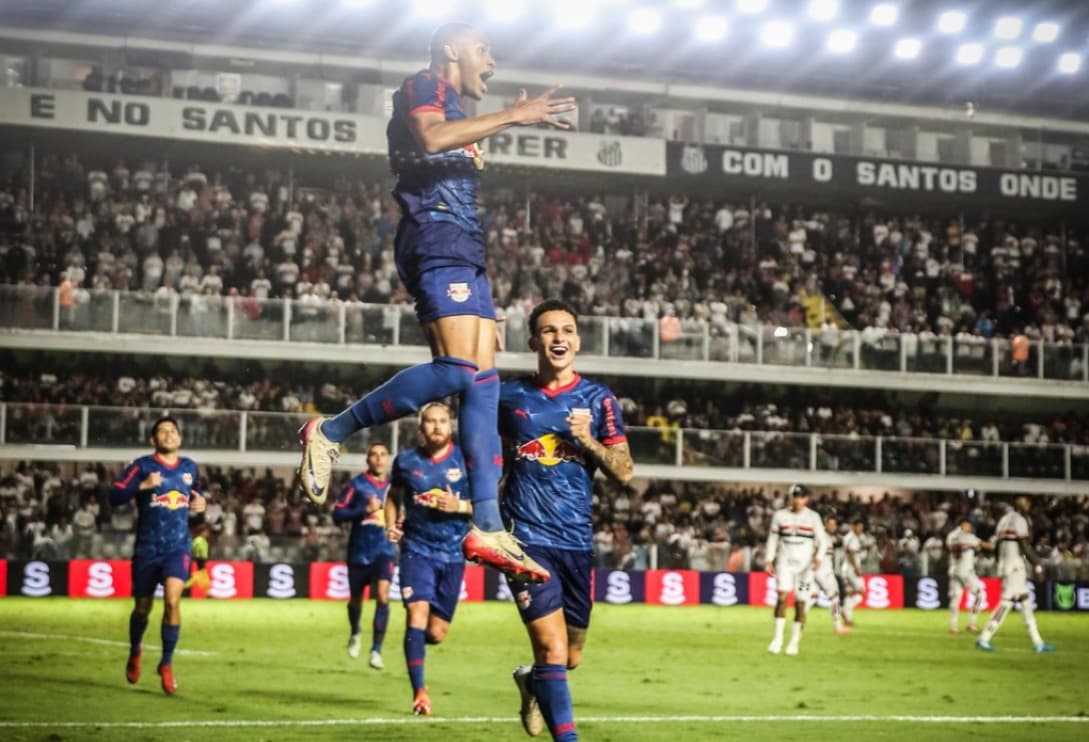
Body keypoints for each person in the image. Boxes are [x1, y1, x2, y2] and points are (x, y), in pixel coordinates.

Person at [297, 22, 575, 584]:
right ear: (452, 50)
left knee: (483, 382)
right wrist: (511, 116)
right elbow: (428, 138)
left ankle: (488, 526)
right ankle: (330, 430)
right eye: (483, 49)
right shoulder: (424, 85)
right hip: (435, 234)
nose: (491, 61)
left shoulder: (457, 109)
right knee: (458, 370)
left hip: (463, 245)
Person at [499, 299, 633, 741]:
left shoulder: (599, 399)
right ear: (533, 342)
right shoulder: (507, 396)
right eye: (549, 330)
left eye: (567, 330)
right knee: (552, 648)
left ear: (577, 340)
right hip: (524, 538)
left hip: (575, 540)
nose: (560, 337)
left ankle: (532, 682)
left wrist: (587, 440)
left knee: (570, 656)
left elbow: (624, 472)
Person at [384, 402, 474, 716]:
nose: (437, 426)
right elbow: (393, 496)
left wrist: (459, 506)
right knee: (417, 615)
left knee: (434, 633)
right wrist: (390, 524)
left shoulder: (467, 460)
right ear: (420, 427)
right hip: (416, 549)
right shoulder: (406, 461)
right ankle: (419, 692)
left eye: (442, 421)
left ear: (451, 425)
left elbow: (490, 504)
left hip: (453, 554)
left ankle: (415, 646)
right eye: (431, 421)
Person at [110, 416, 206, 695]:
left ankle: (166, 663)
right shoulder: (142, 466)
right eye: (162, 431)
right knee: (142, 608)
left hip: (178, 548)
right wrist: (141, 486)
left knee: (173, 601)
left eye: (173, 431)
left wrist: (201, 501)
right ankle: (135, 649)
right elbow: (114, 496)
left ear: (180, 438)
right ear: (153, 439)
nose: (168, 435)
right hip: (147, 549)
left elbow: (195, 493)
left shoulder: (189, 467)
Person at [332, 442, 394, 669]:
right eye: (374, 455)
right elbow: (337, 514)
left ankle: (376, 650)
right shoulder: (356, 485)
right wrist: (364, 510)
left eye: (383, 454)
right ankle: (355, 631)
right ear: (368, 459)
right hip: (359, 551)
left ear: (387, 458)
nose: (378, 458)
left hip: (385, 551)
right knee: (356, 599)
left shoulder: (395, 486)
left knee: (383, 597)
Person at [976, 498, 1055, 653]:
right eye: (1026, 503)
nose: (1028, 506)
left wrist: (1000, 564)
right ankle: (984, 637)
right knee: (1006, 602)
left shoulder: (1003, 520)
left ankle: (1038, 642)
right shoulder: (1020, 520)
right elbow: (1024, 545)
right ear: (1022, 505)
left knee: (1025, 602)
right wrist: (1037, 564)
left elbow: (997, 546)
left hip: (1006, 565)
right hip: (1015, 566)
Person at [766, 484, 824, 655]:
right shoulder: (780, 516)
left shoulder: (813, 517)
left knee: (801, 602)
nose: (798, 500)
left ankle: (794, 642)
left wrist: (819, 557)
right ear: (790, 498)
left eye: (801, 497)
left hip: (805, 570)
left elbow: (822, 541)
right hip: (784, 564)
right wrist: (769, 559)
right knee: (782, 597)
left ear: (806, 499)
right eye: (795, 497)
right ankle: (777, 639)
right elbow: (772, 539)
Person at [946, 517, 994, 634]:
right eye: (968, 525)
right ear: (963, 525)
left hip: (954, 571)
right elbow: (987, 546)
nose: (970, 528)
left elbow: (958, 547)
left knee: (955, 599)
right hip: (966, 572)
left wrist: (973, 548)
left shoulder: (951, 536)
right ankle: (971, 624)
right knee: (979, 595)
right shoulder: (968, 537)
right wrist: (995, 543)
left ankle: (953, 626)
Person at [807, 515, 849, 634]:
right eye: (830, 524)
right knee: (835, 597)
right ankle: (838, 626)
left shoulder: (829, 538)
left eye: (834, 524)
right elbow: (813, 552)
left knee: (811, 597)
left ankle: (799, 623)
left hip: (814, 573)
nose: (833, 526)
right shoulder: (821, 537)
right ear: (825, 525)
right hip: (822, 573)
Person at [841, 518, 867, 627]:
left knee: (850, 593)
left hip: (847, 568)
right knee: (862, 592)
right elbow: (851, 553)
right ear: (854, 526)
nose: (860, 529)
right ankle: (845, 610)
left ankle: (848, 618)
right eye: (859, 527)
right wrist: (856, 568)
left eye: (862, 527)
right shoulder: (852, 538)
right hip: (851, 569)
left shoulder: (851, 537)